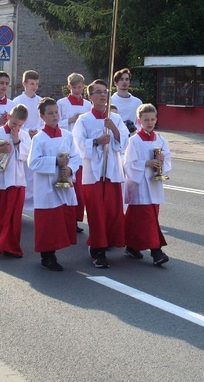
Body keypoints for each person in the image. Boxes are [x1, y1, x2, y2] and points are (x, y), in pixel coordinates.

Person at [72, 79, 129, 268]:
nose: (103, 95)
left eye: (105, 92)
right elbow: (77, 144)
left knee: (112, 210)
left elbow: (124, 141)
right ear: (90, 97)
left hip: (112, 170)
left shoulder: (115, 118)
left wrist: (113, 129)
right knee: (96, 211)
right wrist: (96, 142)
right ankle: (97, 249)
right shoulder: (84, 119)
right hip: (93, 172)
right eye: (98, 92)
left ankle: (109, 240)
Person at [28, 97, 81, 271]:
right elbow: (33, 163)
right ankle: (47, 256)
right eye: (50, 113)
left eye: (56, 112)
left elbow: (75, 157)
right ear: (42, 116)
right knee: (48, 221)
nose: (54, 116)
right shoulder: (39, 138)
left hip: (63, 183)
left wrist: (70, 170)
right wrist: (56, 163)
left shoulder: (67, 135)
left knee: (60, 219)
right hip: (46, 187)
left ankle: (54, 251)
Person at [123, 104, 171, 266]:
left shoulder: (160, 139)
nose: (149, 123)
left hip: (155, 184)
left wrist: (162, 162)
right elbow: (128, 163)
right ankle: (156, 252)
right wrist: (146, 163)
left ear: (156, 120)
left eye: (152, 119)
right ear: (139, 121)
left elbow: (168, 158)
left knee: (143, 219)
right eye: (146, 120)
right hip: (141, 185)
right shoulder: (134, 140)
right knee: (147, 218)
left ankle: (131, 244)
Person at [0, 104, 31, 257]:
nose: (16, 127)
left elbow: (26, 155)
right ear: (9, 117)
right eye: (14, 123)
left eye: (20, 125)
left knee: (12, 216)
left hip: (16, 180)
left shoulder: (24, 135)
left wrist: (16, 141)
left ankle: (10, 245)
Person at [56, 72, 92, 232]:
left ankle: (76, 218)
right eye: (75, 87)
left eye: (80, 87)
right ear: (69, 87)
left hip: (81, 147)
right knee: (68, 183)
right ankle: (65, 218)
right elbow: (55, 122)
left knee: (80, 187)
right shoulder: (62, 103)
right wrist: (70, 120)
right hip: (66, 145)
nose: (78, 91)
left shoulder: (87, 105)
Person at [13, 70, 45, 212]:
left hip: (35, 138)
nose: (34, 87)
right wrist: (26, 131)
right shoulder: (17, 101)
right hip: (22, 137)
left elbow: (42, 120)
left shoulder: (40, 101)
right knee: (22, 171)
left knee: (32, 172)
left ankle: (32, 201)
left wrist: (36, 130)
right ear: (24, 84)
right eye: (32, 84)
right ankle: (21, 200)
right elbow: (15, 120)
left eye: (36, 84)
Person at [111, 68, 142, 135]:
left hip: (133, 138)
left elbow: (141, 122)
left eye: (127, 79)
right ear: (115, 83)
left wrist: (133, 128)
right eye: (121, 79)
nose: (124, 82)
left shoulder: (138, 102)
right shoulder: (110, 101)